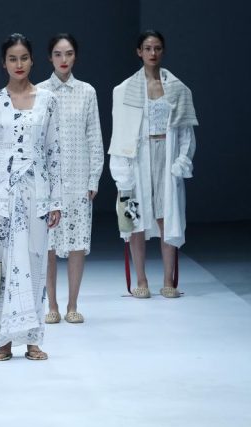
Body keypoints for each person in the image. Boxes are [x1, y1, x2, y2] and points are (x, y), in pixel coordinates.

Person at [0, 33, 61, 362]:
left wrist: (56, 200)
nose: (19, 64)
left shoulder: (47, 100)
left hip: (37, 193)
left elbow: (54, 151)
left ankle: (33, 340)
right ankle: (4, 340)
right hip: (2, 195)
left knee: (35, 262)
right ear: (4, 63)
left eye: (24, 58)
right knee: (3, 266)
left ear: (32, 60)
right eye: (12, 59)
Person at [109, 30, 198, 299]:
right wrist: (121, 171)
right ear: (139, 52)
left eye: (157, 48)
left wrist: (182, 160)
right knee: (135, 216)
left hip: (166, 156)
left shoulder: (178, 88)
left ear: (163, 51)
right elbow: (119, 132)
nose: (152, 53)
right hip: (137, 158)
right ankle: (142, 279)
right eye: (147, 48)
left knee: (166, 215)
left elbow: (185, 131)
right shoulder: (124, 90)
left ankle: (168, 279)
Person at [37, 33, 103, 324]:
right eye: (58, 54)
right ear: (49, 57)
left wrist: (93, 178)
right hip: (49, 180)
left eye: (69, 53)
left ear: (75, 56)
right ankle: (51, 305)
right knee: (48, 245)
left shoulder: (87, 91)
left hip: (78, 177)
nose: (63, 59)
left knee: (77, 243)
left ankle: (72, 304)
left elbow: (94, 136)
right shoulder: (40, 92)